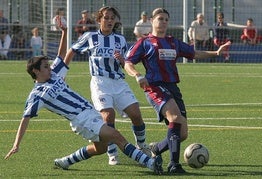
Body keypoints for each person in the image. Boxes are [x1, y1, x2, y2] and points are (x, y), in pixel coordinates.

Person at [4, 18, 163, 175]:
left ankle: (65, 161)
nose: (50, 68)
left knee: (100, 148)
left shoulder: (54, 75)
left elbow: (61, 55)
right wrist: (16, 144)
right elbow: (25, 118)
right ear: (36, 71)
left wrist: (64, 32)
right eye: (46, 67)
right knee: (116, 136)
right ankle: (149, 162)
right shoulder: (37, 94)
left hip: (89, 112)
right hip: (81, 119)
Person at [124, 8, 231, 175]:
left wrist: (215, 53)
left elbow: (193, 53)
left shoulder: (173, 42)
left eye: (166, 19)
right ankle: (174, 165)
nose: (164, 21)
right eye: (160, 18)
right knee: (174, 117)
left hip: (173, 87)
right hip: (155, 86)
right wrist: (137, 75)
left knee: (182, 133)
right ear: (152, 21)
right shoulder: (144, 42)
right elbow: (128, 62)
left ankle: (155, 149)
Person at [64, 6, 151, 166]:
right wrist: (63, 72)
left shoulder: (120, 40)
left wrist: (122, 61)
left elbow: (126, 63)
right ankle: (112, 153)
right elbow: (72, 50)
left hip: (118, 82)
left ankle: (142, 146)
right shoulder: (89, 37)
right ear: (99, 20)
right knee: (108, 116)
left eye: (112, 18)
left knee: (136, 114)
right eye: (106, 18)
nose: (110, 20)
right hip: (100, 83)